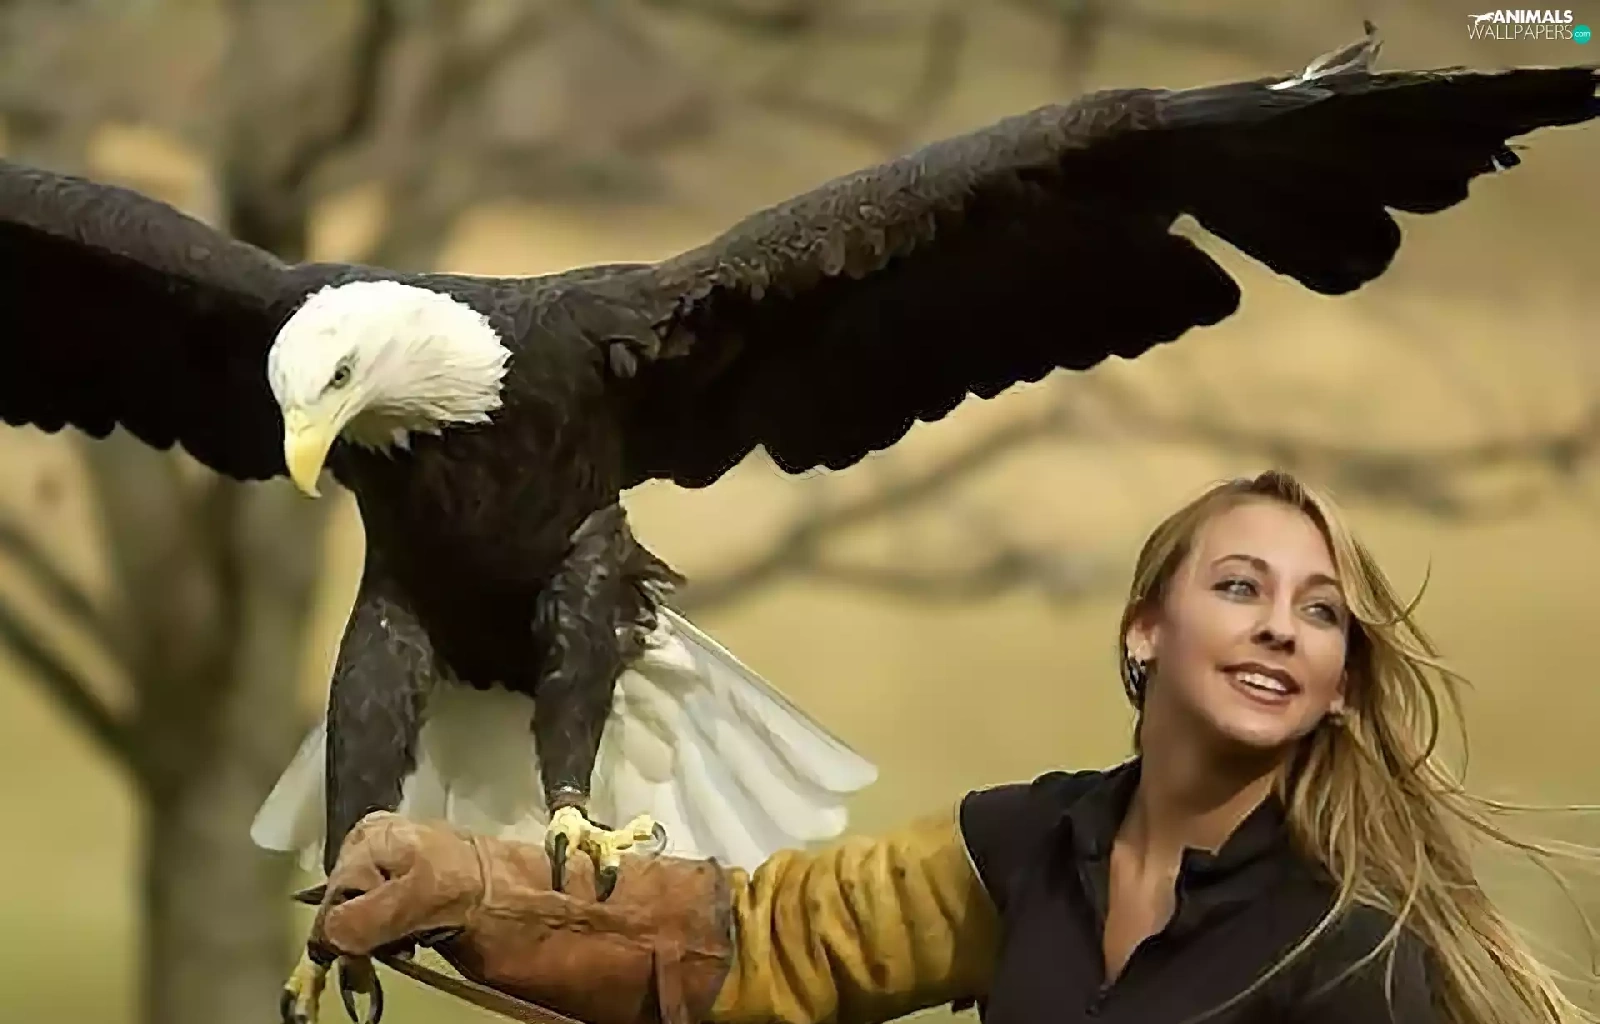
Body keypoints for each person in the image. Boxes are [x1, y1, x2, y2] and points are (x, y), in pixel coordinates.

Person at [303, 469, 1593, 1024]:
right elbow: (765, 946)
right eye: (1240, 588)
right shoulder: (1031, 846)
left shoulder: (1347, 948)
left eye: (1320, 614)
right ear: (1146, 627)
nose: (1279, 629)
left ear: (1340, 686)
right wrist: (474, 888)